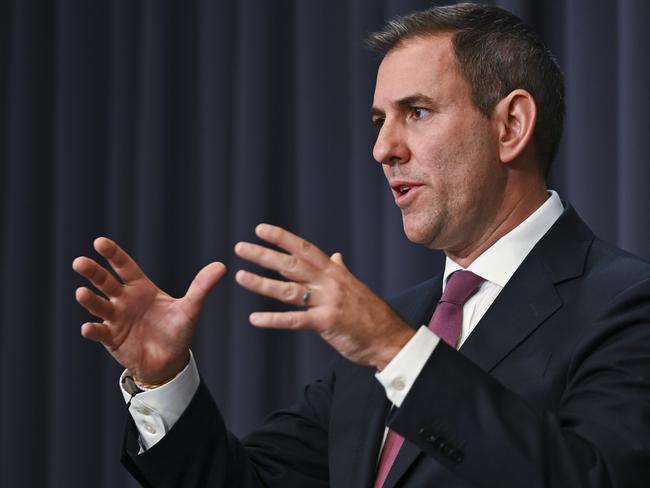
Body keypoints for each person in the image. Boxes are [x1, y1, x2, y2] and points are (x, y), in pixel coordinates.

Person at [73, 3, 650, 487]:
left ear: (510, 126)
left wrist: (395, 351)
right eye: (378, 120)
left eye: (416, 113)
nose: (383, 149)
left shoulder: (627, 305)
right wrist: (166, 380)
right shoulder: (393, 325)